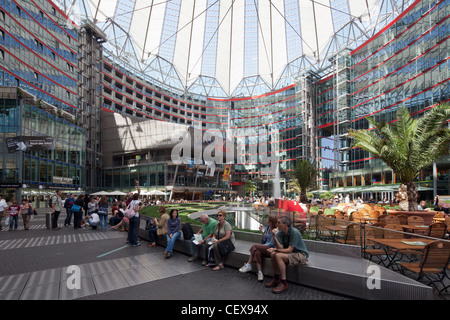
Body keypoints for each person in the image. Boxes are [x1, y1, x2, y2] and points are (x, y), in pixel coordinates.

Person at [265, 216, 309, 294]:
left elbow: (289, 250)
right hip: (291, 254)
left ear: (285, 224)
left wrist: (276, 249)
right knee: (273, 254)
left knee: (278, 255)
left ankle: (284, 283)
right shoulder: (281, 233)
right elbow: (280, 247)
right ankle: (276, 278)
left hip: (300, 254)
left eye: (279, 223)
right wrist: (274, 237)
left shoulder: (294, 232)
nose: (277, 224)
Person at [239, 214, 278, 281]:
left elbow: (271, 244)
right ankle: (260, 272)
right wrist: (262, 231)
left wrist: (261, 246)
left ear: (271, 222)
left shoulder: (275, 231)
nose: (266, 220)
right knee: (257, 252)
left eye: (267, 219)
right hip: (266, 247)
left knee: (254, 246)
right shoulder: (268, 227)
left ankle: (248, 264)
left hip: (271, 249)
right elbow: (265, 237)